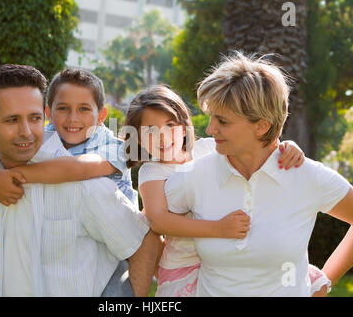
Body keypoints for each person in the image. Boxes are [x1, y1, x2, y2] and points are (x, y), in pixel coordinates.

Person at [163, 52, 353, 296]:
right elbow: (151, 223)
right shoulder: (196, 174)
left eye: (223, 121)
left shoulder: (305, 176)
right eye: (211, 118)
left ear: (262, 126)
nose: (210, 128)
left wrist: (322, 283)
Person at [0, 64, 159, 296]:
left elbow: (144, 241)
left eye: (33, 118)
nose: (26, 131)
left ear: (101, 115)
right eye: (12, 120)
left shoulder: (87, 177)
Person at [123, 84, 328, 297]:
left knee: (312, 282)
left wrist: (287, 147)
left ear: (184, 126)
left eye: (169, 125)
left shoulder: (210, 149)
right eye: (150, 131)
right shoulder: (152, 171)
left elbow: (254, 150)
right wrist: (219, 228)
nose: (163, 137)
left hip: (229, 258)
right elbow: (159, 220)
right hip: (186, 265)